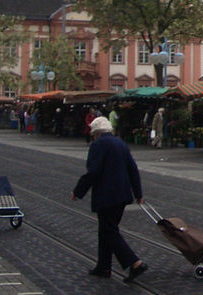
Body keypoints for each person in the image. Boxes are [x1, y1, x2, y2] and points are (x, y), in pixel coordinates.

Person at [72, 116, 147, 283]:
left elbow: (93, 172)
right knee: (106, 230)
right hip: (122, 194)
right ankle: (103, 266)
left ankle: (135, 263)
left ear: (96, 133)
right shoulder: (120, 143)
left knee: (109, 231)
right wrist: (138, 193)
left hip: (106, 195)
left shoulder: (98, 145)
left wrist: (78, 191)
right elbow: (132, 169)